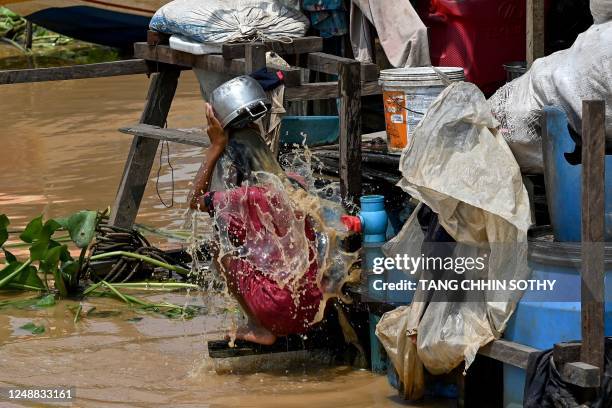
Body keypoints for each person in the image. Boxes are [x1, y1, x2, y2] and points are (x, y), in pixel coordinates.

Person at [189, 103, 323, 346]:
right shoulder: (296, 184)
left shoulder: (244, 198)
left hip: (275, 311)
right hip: (312, 308)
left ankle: (258, 327)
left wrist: (216, 147)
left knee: (221, 251)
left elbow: (194, 201)